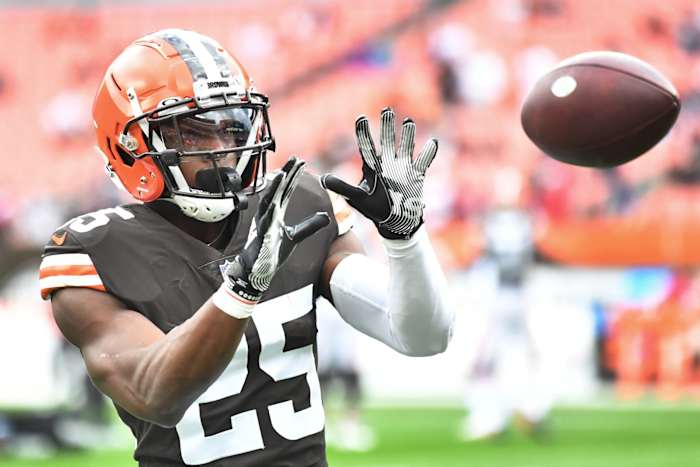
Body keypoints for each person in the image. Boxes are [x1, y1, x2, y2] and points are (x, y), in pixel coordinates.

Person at [38, 29, 453, 467]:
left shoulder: (296, 206)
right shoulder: (95, 251)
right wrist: (240, 291)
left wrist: (405, 237)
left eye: (232, 126)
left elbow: (422, 337)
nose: (223, 150)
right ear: (130, 146)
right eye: (193, 135)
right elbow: (155, 393)